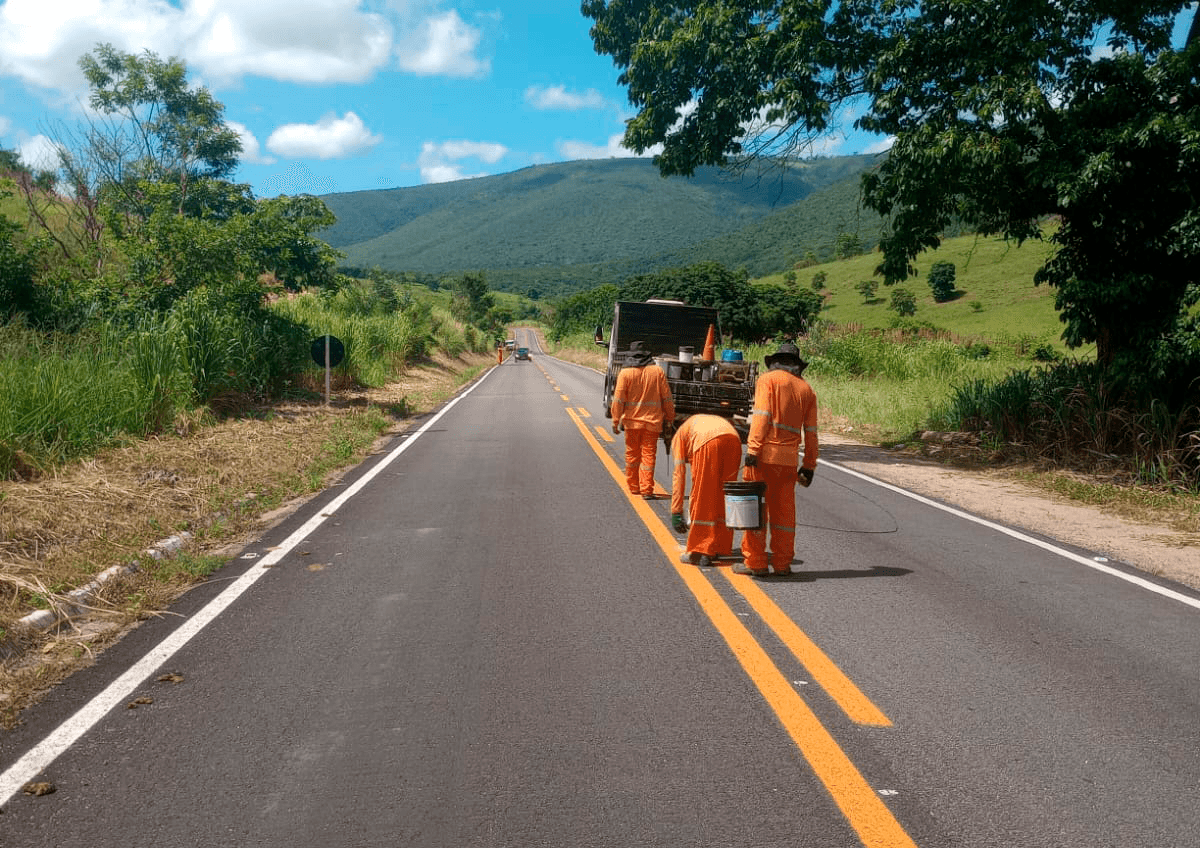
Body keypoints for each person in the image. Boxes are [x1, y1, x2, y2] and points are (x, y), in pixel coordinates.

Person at [737, 342, 818, 577]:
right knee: (784, 515)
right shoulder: (807, 390)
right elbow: (811, 433)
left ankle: (756, 563)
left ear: (774, 363)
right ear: (797, 367)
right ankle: (782, 564)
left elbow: (762, 416)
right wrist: (809, 466)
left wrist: (752, 451)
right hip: (789, 462)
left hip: (764, 457)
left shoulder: (768, 380)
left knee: (755, 510)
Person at [669, 414, 742, 567]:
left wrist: (676, 511)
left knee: (703, 495)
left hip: (707, 441)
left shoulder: (678, 438)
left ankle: (700, 550)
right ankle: (721, 547)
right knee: (725, 494)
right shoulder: (693, 424)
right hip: (733, 438)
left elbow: (679, 475)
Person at [611, 341, 675, 499]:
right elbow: (667, 398)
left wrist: (615, 420)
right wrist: (670, 418)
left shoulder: (625, 374)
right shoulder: (657, 372)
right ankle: (647, 490)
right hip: (652, 423)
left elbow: (618, 400)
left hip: (632, 423)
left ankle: (633, 487)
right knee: (648, 455)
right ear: (647, 356)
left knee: (632, 455)